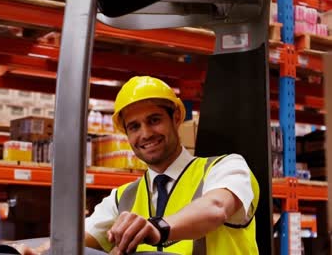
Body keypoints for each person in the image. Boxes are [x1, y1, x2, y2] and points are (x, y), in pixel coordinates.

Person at [22, 76, 259, 255]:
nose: (145, 134)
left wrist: (158, 228)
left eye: (154, 120)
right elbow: (78, 239)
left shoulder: (225, 168)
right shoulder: (123, 198)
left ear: (176, 118)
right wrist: (42, 251)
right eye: (134, 127)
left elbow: (216, 208)